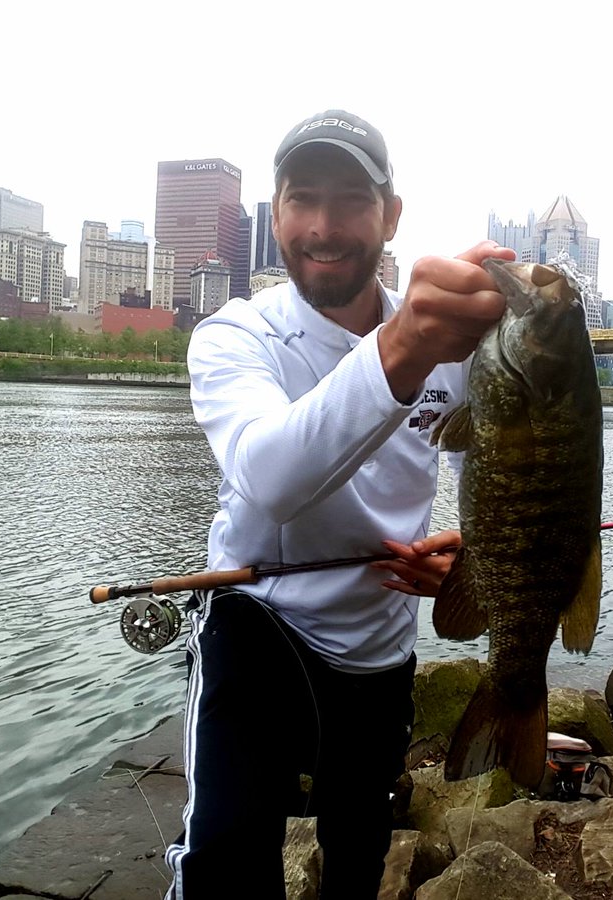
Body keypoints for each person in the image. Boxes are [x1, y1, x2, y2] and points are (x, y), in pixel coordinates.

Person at [164, 109, 515, 900]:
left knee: (357, 858)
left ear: (391, 215)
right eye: (302, 199)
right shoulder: (236, 336)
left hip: (382, 642)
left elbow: (516, 474)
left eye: (351, 200)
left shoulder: (456, 348)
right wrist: (405, 346)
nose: (324, 227)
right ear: (277, 213)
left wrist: (474, 561)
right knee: (223, 856)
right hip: (256, 621)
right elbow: (271, 477)